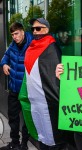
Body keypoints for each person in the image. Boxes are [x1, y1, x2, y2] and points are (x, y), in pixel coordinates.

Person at [18, 18, 75, 150]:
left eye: (39, 28)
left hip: (49, 104)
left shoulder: (51, 48)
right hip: (36, 102)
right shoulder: (32, 47)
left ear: (47, 30)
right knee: (42, 136)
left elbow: (54, 80)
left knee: (54, 138)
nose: (35, 31)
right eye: (33, 29)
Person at [0, 22, 33, 150]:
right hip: (14, 89)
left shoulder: (32, 45)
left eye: (16, 33)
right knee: (12, 117)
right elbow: (5, 57)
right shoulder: (13, 46)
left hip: (27, 91)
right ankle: (15, 143)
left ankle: (24, 144)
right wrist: (4, 64)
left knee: (26, 119)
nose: (14, 37)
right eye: (12, 34)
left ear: (22, 32)